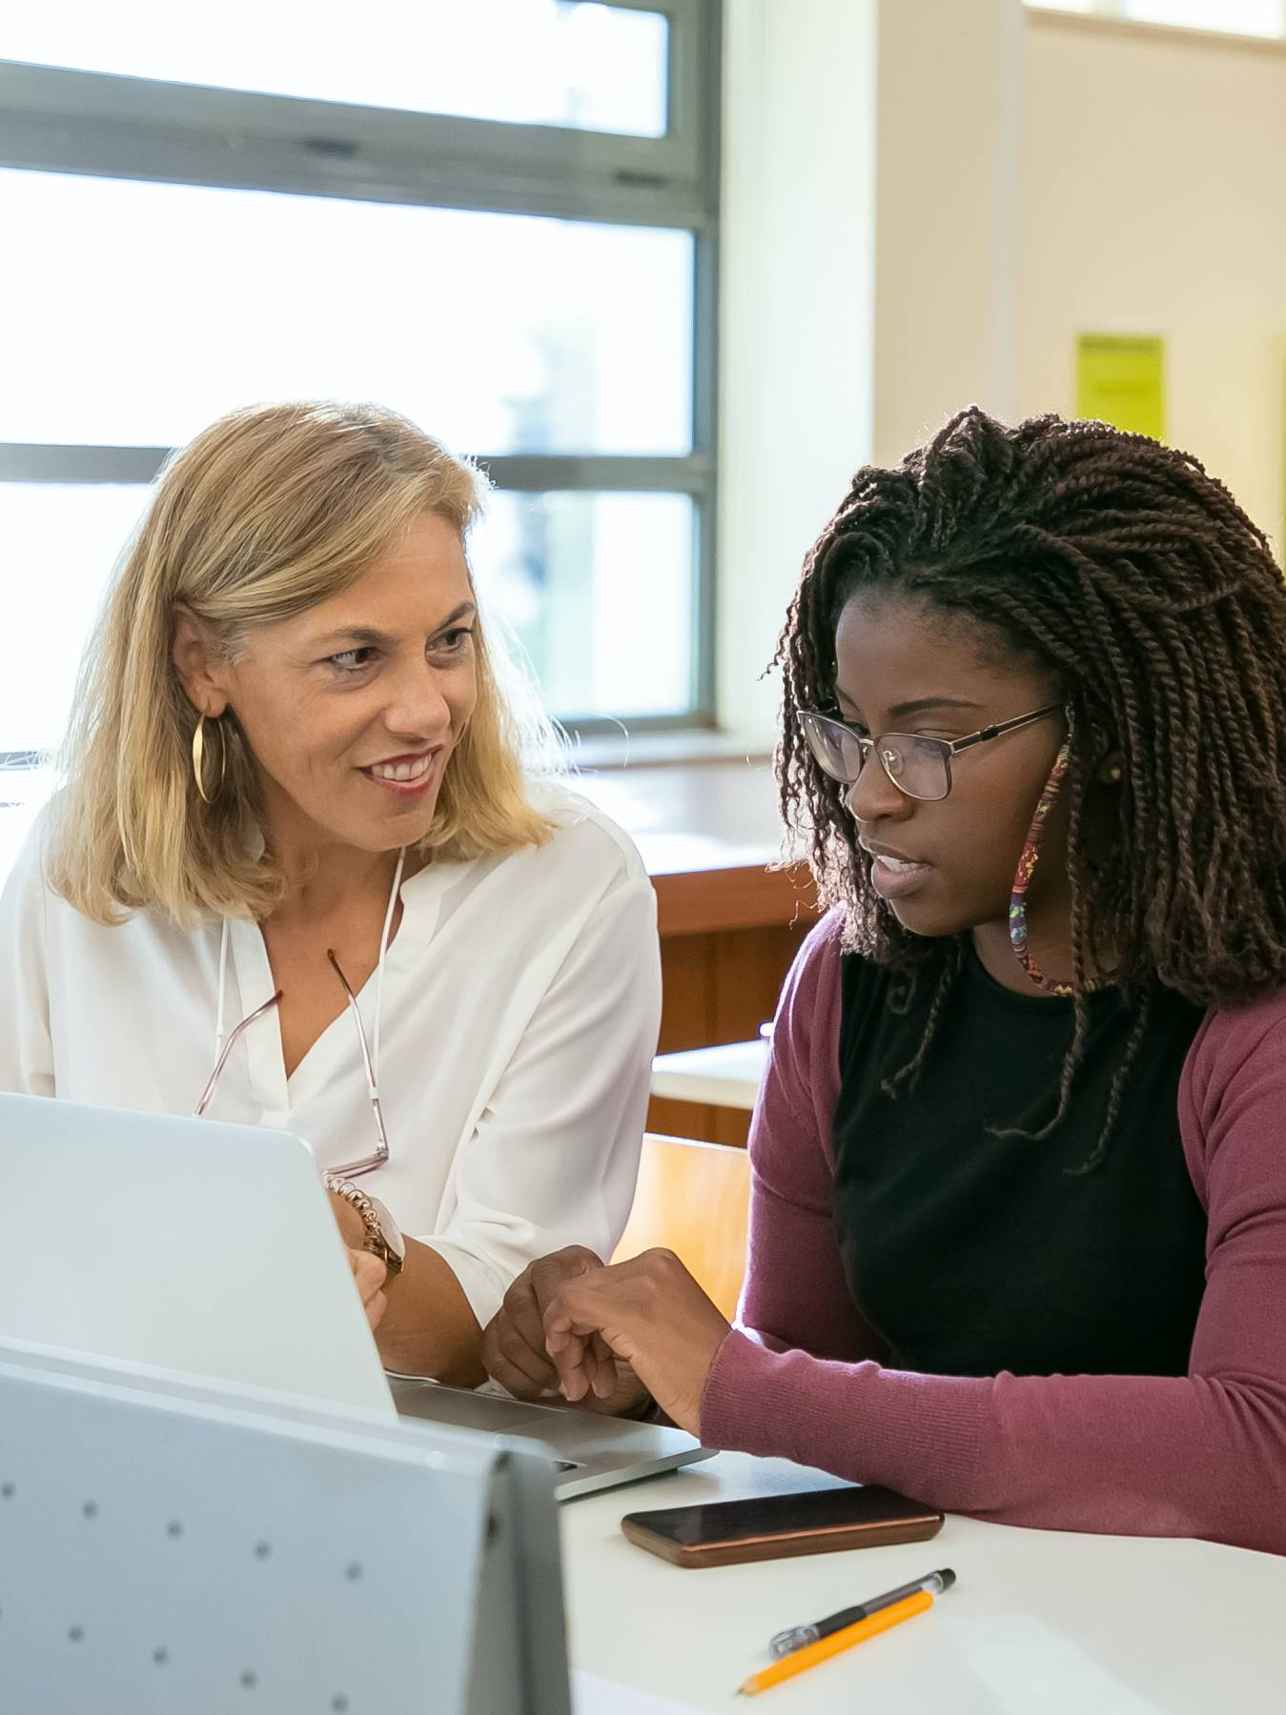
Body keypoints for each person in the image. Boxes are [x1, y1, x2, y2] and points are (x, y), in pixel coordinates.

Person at [482, 407, 1286, 1554]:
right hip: (948, 1625)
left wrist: (740, 1384)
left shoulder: (1253, 1013)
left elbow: (1261, 1455)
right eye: (846, 732)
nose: (866, 795)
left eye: (928, 740)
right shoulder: (851, 983)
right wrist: (647, 1374)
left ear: (1109, 729)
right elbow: (808, 1395)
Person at [0, 400, 660, 1384]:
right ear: (202, 663)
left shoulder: (569, 885)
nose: (426, 707)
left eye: (449, 639)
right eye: (355, 657)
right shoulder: (81, 871)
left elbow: (511, 1327)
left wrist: (355, 1245)